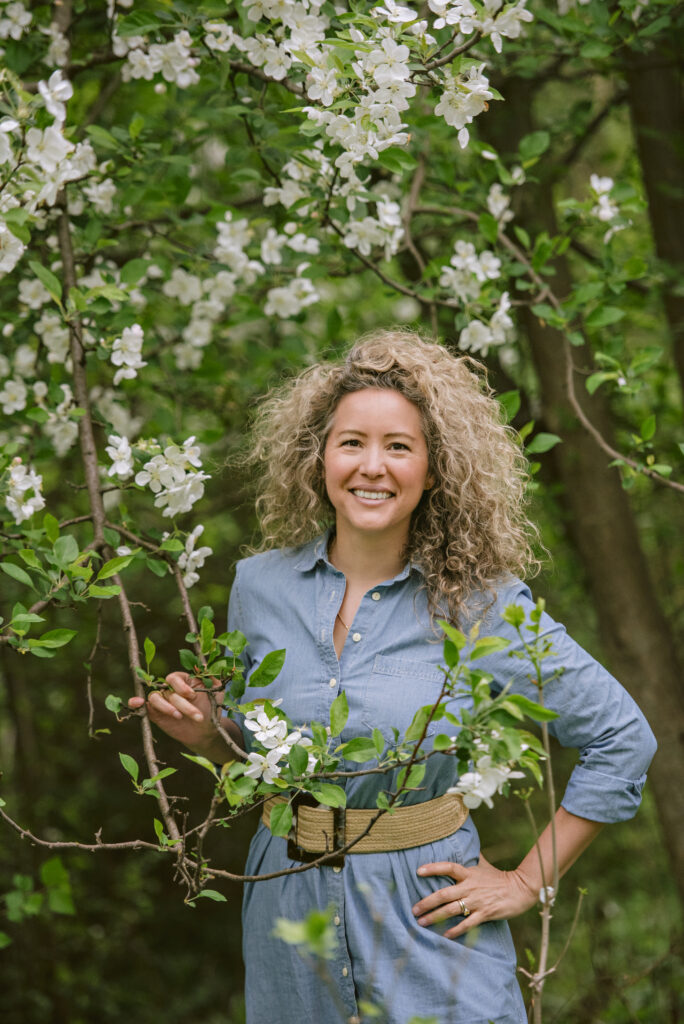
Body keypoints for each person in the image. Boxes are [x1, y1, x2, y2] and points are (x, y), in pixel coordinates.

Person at [129, 329, 656, 1024]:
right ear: (318, 458)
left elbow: (622, 738)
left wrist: (528, 881)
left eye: (399, 447)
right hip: (289, 913)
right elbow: (263, 763)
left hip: (430, 919)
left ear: (434, 470)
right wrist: (206, 735)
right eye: (351, 443)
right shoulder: (260, 587)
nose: (371, 466)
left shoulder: (481, 604)